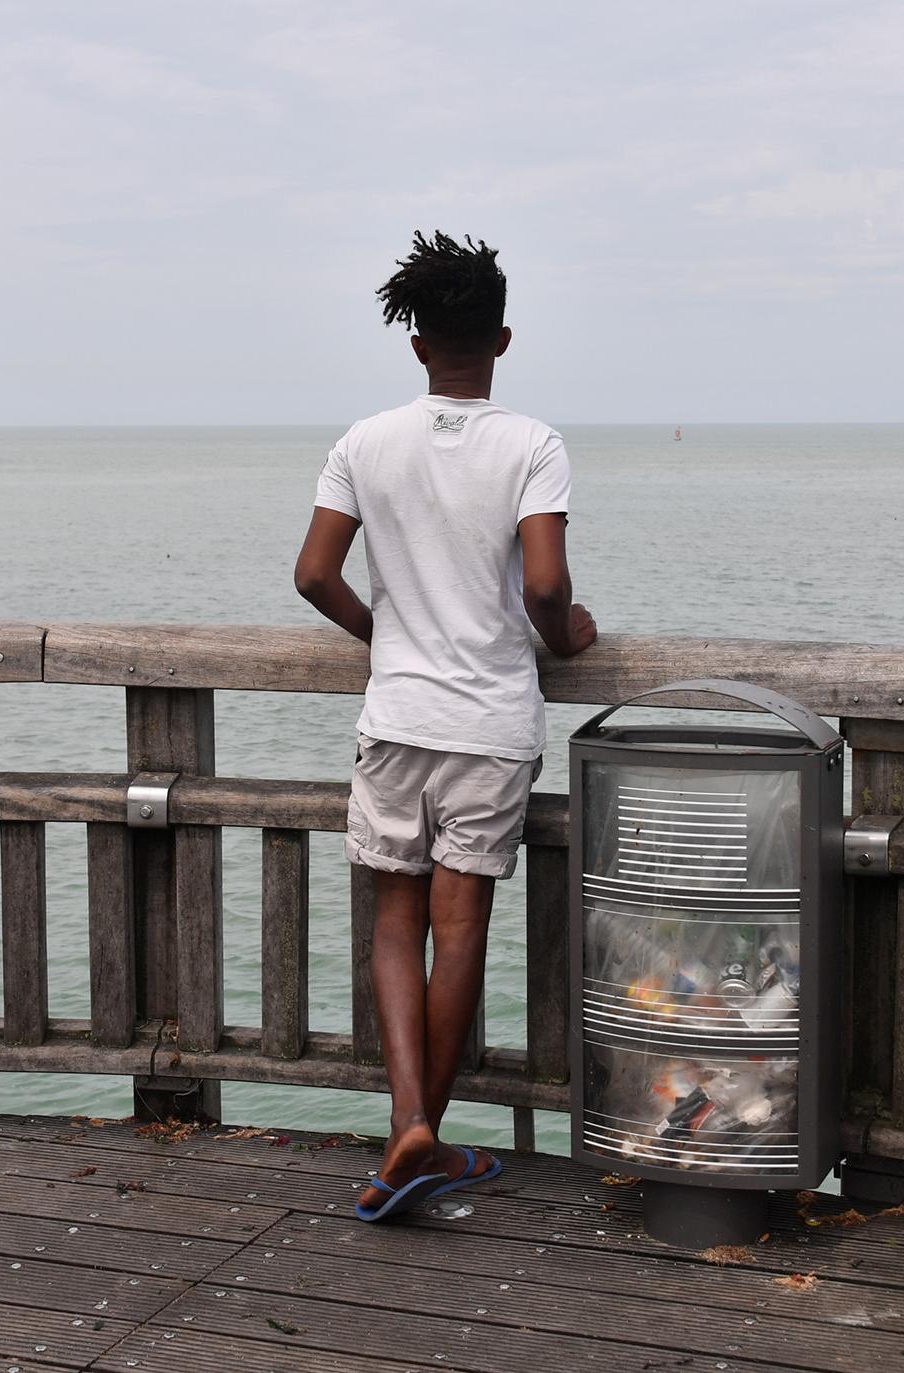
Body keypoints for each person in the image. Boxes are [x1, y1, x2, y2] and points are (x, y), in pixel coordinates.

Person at [293, 231, 597, 1222]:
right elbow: (545, 583)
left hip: (398, 712)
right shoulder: (531, 443)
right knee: (457, 928)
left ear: (417, 344)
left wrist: (383, 631)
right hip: (489, 720)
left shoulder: (363, 442)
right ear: (499, 340)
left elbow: (311, 575)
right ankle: (424, 1134)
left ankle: (408, 1123)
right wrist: (565, 630)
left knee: (394, 921)